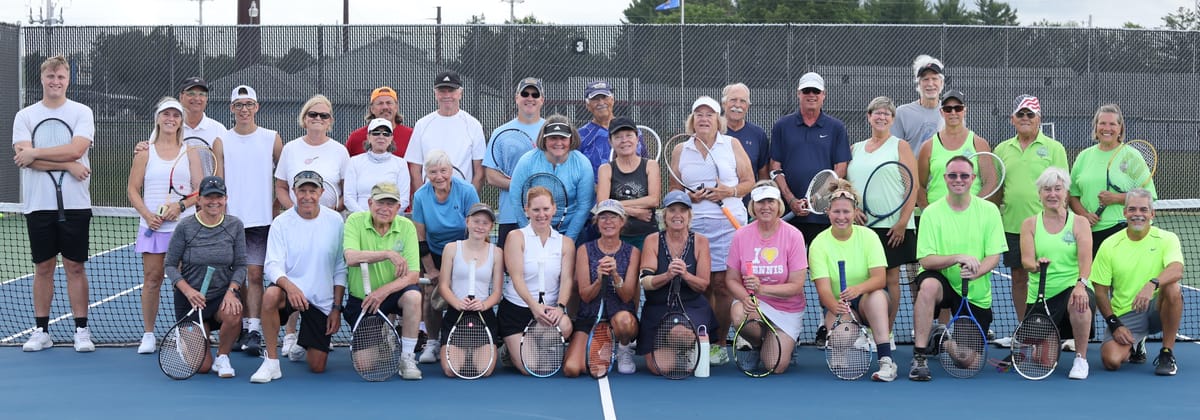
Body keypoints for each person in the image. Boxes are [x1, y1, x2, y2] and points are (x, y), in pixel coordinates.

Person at [13, 54, 97, 352]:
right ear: (42, 79)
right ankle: (41, 331)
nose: (56, 81)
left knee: (75, 267)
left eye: (61, 76)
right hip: (38, 205)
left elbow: (77, 149)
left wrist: (37, 153)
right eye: (51, 76)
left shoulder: (81, 112)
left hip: (75, 204)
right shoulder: (25, 116)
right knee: (43, 267)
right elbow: (24, 159)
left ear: (68, 80)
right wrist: (67, 165)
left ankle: (82, 331)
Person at [672, 96, 756, 366]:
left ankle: (719, 343)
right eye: (699, 114)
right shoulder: (680, 150)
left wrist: (726, 191)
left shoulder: (731, 144)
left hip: (728, 226)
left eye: (709, 114)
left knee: (722, 285)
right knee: (700, 285)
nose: (704, 119)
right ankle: (701, 339)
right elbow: (673, 191)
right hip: (694, 228)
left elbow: (749, 182)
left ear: (718, 120)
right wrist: (688, 196)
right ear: (692, 119)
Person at [908, 156, 1006, 381]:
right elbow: (926, 261)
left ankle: (942, 341)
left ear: (973, 179)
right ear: (945, 178)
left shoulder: (989, 211)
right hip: (943, 282)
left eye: (964, 175)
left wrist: (978, 271)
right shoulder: (932, 213)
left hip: (974, 292)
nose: (958, 180)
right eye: (952, 175)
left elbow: (994, 255)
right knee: (928, 285)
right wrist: (957, 258)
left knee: (967, 361)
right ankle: (920, 355)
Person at [251, 171, 346, 383]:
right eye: (302, 190)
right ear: (294, 192)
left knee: (318, 366)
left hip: (321, 302)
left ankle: (302, 342)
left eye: (313, 191)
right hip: (290, 294)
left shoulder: (335, 221)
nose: (307, 196)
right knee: (271, 295)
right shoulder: (281, 222)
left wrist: (336, 308)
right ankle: (271, 363)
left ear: (321, 193)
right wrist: (291, 287)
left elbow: (340, 266)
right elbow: (272, 265)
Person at [126, 97, 204, 354]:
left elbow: (199, 192)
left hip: (184, 229)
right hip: (153, 228)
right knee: (152, 279)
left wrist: (179, 207)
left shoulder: (190, 152)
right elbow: (132, 190)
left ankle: (185, 333)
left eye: (176, 115)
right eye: (166, 114)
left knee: (183, 281)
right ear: (158, 118)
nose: (171, 119)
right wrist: (148, 216)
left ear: (181, 121)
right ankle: (149, 334)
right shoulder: (144, 152)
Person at [994, 94, 1069, 330]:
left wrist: (1060, 222)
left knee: (1050, 278)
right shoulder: (1002, 149)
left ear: (1039, 119)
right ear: (1012, 119)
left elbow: (1062, 188)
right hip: (1012, 226)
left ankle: (1053, 328)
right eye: (1021, 114)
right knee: (1019, 277)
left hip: (1046, 228)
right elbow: (997, 188)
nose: (1025, 118)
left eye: (1030, 114)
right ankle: (1023, 327)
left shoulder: (1054, 148)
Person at [810, 179, 897, 381]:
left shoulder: (869, 237)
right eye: (836, 212)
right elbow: (823, 291)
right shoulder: (818, 244)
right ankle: (840, 350)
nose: (841, 217)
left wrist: (857, 289)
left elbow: (880, 279)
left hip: (868, 301)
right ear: (828, 213)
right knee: (839, 336)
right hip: (839, 304)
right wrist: (836, 307)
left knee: (876, 297)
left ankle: (886, 361)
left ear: (854, 212)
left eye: (846, 212)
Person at [219, 84, 283, 356]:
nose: (244, 109)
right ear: (232, 109)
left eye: (249, 105)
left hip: (261, 221)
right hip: (230, 222)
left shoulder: (272, 138)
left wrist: (276, 206)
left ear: (257, 107)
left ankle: (254, 329)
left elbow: (284, 177)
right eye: (238, 105)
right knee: (237, 278)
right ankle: (242, 326)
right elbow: (218, 180)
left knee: (256, 274)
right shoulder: (222, 139)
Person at [846, 96, 918, 337]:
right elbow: (845, 186)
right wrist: (853, 208)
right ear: (869, 117)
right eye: (877, 112)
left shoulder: (900, 146)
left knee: (891, 278)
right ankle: (866, 330)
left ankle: (886, 331)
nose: (882, 116)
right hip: (862, 227)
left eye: (887, 113)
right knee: (865, 278)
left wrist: (902, 223)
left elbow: (912, 186)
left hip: (893, 227)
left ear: (893, 119)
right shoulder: (855, 149)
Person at [1093, 189, 1184, 376]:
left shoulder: (1167, 238)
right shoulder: (1110, 245)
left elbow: (1176, 269)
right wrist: (1114, 324)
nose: (1138, 214)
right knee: (1111, 361)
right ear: (1124, 212)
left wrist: (1152, 284)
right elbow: (1100, 291)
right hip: (1126, 313)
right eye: (1132, 209)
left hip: (1156, 308)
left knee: (1173, 288)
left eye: (1143, 210)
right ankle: (1135, 344)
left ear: (1152, 214)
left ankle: (1167, 353)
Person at [163, 176, 246, 377]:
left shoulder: (235, 225)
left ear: (226, 199)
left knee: (234, 312)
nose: (214, 201)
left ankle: (223, 357)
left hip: (219, 298)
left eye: (219, 197)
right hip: (190, 301)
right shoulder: (185, 227)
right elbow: (170, 265)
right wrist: (189, 291)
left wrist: (231, 292)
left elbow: (241, 265)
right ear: (199, 200)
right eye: (209, 197)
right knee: (202, 367)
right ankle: (192, 337)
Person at [1018, 167, 1095, 379]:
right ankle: (1049, 340)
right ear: (1040, 194)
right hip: (1041, 295)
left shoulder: (1079, 223)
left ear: (1066, 193)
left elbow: (1086, 261)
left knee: (1080, 302)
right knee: (1044, 362)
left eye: (1058, 189)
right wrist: (1036, 265)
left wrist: (1081, 284)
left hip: (1071, 289)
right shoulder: (1029, 224)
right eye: (1047, 189)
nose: (1052, 194)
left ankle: (1081, 359)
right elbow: (1026, 260)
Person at [724, 181, 808, 374]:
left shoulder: (794, 235)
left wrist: (762, 289)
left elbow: (796, 286)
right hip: (756, 306)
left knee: (775, 366)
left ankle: (782, 343)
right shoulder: (741, 235)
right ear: (753, 206)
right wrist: (745, 298)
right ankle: (757, 344)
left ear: (778, 204)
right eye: (761, 202)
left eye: (770, 201)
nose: (766, 207)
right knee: (738, 314)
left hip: (787, 310)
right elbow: (731, 279)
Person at [343, 182, 423, 380]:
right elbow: (351, 258)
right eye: (380, 203)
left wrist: (383, 291)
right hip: (363, 300)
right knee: (364, 364)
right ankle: (383, 342)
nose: (385, 209)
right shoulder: (354, 221)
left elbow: (413, 275)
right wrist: (387, 254)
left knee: (413, 296)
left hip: (393, 294)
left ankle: (407, 357)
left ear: (398, 208)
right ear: (370, 203)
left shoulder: (406, 227)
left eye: (390, 204)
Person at [412, 150, 481, 363]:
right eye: (433, 172)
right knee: (430, 293)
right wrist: (432, 269)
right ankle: (432, 342)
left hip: (464, 249)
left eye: (443, 170)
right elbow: (420, 237)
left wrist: (469, 259)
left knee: (466, 292)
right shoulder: (421, 196)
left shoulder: (467, 191)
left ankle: (465, 339)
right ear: (427, 174)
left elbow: (477, 227)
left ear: (451, 171)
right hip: (434, 251)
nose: (439, 176)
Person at [499, 186, 576, 374]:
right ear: (527, 210)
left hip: (548, 313)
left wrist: (560, 307)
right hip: (517, 311)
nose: (541, 214)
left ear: (554, 209)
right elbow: (516, 277)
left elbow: (566, 279)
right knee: (532, 368)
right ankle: (509, 350)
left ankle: (534, 345)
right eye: (535, 210)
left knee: (565, 325)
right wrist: (534, 306)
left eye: (545, 209)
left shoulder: (565, 243)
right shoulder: (516, 237)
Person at [769, 72, 852, 247]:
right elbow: (775, 167)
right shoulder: (781, 126)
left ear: (824, 95)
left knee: (821, 267)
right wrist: (791, 200)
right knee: (789, 268)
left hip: (824, 215)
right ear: (799, 94)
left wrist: (817, 198)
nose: (811, 95)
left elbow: (841, 167)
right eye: (807, 91)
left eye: (816, 91)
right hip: (788, 213)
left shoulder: (836, 127)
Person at [638, 190, 715, 376]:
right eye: (672, 210)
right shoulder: (652, 240)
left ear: (689, 216)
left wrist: (686, 275)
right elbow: (645, 282)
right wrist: (667, 275)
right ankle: (673, 347)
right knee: (659, 368)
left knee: (680, 333)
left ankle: (689, 346)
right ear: (664, 215)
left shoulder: (701, 242)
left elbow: (703, 284)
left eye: (683, 210)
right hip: (658, 307)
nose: (677, 215)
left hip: (691, 307)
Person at [1069, 104, 1159, 255]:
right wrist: (1084, 215)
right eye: (1102, 123)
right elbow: (1073, 195)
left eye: (1112, 124)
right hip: (1088, 233)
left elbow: (1149, 196)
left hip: (1122, 230)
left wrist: (1116, 198)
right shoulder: (1083, 156)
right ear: (1096, 127)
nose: (1107, 128)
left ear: (1120, 129)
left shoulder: (1132, 156)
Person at [563, 200, 641, 377]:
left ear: (622, 222)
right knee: (572, 369)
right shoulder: (584, 250)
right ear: (596, 223)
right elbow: (585, 295)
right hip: (590, 318)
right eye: (603, 217)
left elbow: (628, 296)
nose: (608, 222)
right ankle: (592, 345)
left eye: (613, 217)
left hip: (620, 317)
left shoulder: (633, 252)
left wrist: (614, 275)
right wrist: (598, 280)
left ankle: (623, 348)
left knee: (624, 322)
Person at [437, 203, 505, 378]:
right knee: (451, 371)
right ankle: (458, 350)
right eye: (476, 221)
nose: (480, 226)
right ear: (467, 222)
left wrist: (483, 305)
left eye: (485, 223)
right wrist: (457, 303)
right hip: (455, 315)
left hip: (483, 317)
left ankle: (480, 352)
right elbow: (443, 285)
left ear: (491, 227)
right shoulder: (451, 249)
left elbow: (497, 292)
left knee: (484, 371)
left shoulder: (496, 252)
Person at [506, 115, 596, 243]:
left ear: (571, 139)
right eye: (553, 138)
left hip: (569, 229)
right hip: (534, 228)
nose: (558, 143)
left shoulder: (582, 163)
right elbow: (516, 200)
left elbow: (584, 205)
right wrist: (530, 233)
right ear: (544, 139)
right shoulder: (527, 161)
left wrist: (569, 240)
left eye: (563, 138)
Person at [485, 77, 545, 248]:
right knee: (510, 272)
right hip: (510, 215)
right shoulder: (500, 132)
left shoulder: (553, 129)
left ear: (542, 100)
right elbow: (491, 176)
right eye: (525, 93)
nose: (530, 98)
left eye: (535, 94)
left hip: (545, 217)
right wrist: (521, 186)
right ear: (517, 98)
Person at [405, 70, 486, 195]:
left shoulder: (473, 125)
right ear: (435, 94)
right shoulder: (422, 125)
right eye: (442, 91)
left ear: (460, 93)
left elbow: (480, 171)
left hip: (461, 200)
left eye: (451, 90)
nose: (447, 95)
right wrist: (426, 199)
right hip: (430, 200)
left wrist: (469, 200)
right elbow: (415, 169)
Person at [916, 90, 998, 209]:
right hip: (938, 215)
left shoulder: (979, 143)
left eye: (958, 108)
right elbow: (919, 185)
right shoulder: (928, 146)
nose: (953, 112)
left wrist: (973, 208)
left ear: (965, 110)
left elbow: (990, 182)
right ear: (941, 112)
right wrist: (927, 211)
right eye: (948, 109)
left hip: (970, 217)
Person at [274, 94, 349, 213]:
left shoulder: (340, 151)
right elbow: (281, 187)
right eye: (313, 114)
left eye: (324, 115)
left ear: (330, 121)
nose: (318, 118)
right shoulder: (290, 149)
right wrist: (294, 210)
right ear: (304, 118)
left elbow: (348, 191)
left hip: (330, 221)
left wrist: (332, 210)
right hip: (296, 219)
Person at [596, 116, 660, 249]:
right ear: (610, 142)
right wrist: (636, 212)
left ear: (637, 138)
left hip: (647, 236)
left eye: (629, 135)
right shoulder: (605, 169)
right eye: (618, 137)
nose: (624, 140)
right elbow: (602, 205)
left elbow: (653, 200)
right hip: (616, 236)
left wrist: (616, 205)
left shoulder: (650, 165)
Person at [344, 118, 410, 213]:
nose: (381, 136)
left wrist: (384, 216)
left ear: (391, 138)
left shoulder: (400, 164)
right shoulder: (354, 162)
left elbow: (404, 199)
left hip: (390, 219)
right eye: (376, 133)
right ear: (368, 137)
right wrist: (366, 218)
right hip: (360, 220)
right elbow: (349, 197)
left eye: (386, 134)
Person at [892, 55, 945, 156]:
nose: (930, 84)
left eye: (934, 79)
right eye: (925, 79)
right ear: (918, 84)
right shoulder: (902, 113)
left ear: (941, 82)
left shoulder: (951, 111)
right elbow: (894, 150)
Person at [345, 86, 414, 158]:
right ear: (372, 109)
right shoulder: (356, 138)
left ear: (396, 107)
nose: (385, 107)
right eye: (380, 103)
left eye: (389, 103)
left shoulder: (411, 136)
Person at [722, 83, 770, 182]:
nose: (737, 105)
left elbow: (763, 175)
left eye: (742, 101)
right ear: (724, 104)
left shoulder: (758, 135)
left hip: (749, 197)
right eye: (733, 100)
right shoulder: (712, 132)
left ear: (747, 107)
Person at [177, 76, 226, 172]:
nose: (197, 98)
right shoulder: (169, 129)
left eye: (202, 94)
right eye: (191, 94)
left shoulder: (219, 130)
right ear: (181, 97)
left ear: (206, 99)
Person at [576, 80, 618, 178]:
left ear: (612, 100)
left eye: (604, 97)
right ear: (587, 105)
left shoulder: (630, 130)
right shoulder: (579, 136)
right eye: (595, 99)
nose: (601, 102)